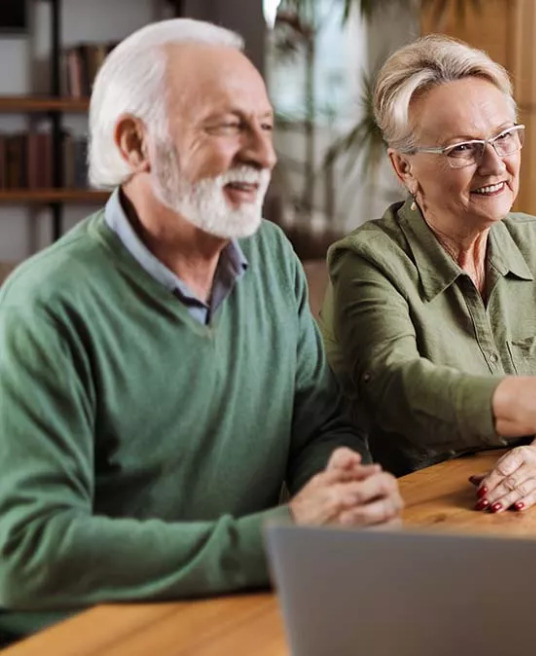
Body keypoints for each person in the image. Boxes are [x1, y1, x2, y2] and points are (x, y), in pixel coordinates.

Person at [0, 19, 403, 642]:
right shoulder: (44, 306)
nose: (265, 155)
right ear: (135, 144)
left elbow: (319, 425)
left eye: (266, 126)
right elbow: (30, 551)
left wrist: (341, 491)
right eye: (227, 126)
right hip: (90, 635)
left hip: (238, 611)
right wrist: (276, 538)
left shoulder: (271, 256)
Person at [321, 35, 536, 513]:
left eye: (504, 136)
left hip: (535, 507)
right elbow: (398, 391)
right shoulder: (366, 260)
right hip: (416, 517)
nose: (496, 164)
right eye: (463, 148)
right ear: (404, 167)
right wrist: (531, 403)